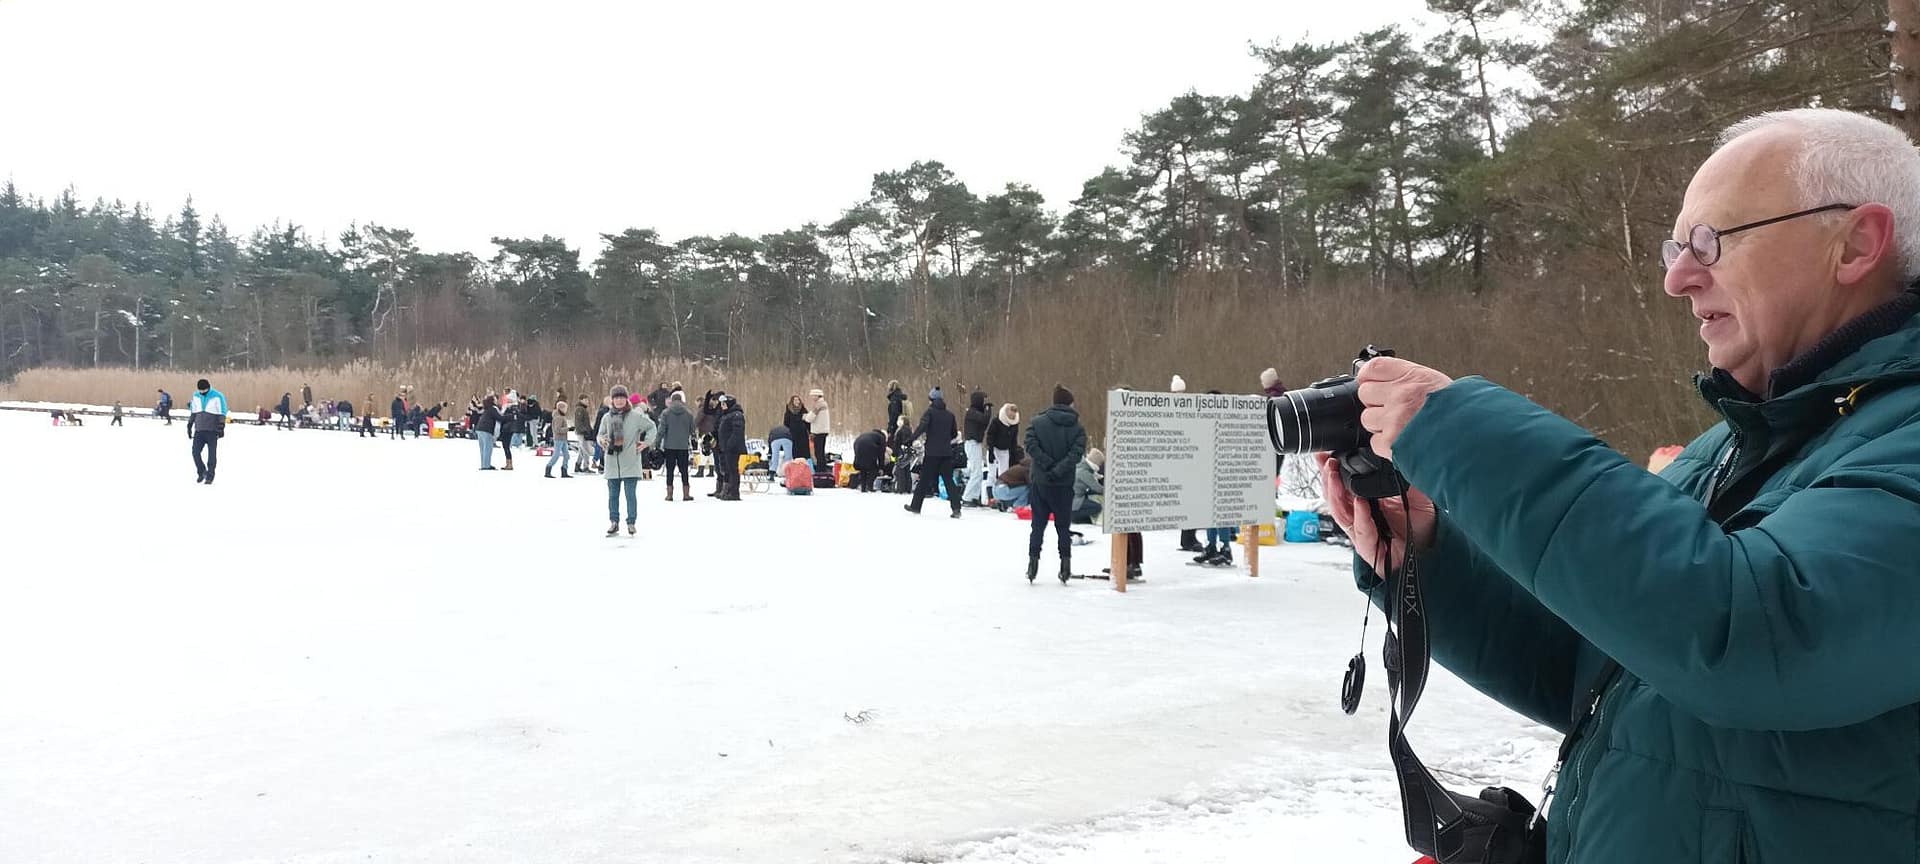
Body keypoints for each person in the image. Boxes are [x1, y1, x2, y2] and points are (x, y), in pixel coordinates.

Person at [1317, 109, 1920, 862]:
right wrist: (1428, 560)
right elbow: (1614, 662)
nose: (1677, 277)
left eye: (1712, 241)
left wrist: (1461, 431)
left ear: (1856, 243)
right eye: (1675, 247)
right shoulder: (1735, 446)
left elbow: (1757, 637)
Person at [596, 386, 654, 536]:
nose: (619, 401)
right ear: (612, 400)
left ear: (626, 399)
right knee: (613, 496)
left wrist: (646, 443)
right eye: (616, 398)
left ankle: (631, 522)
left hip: (630, 462)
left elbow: (651, 427)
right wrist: (601, 440)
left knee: (630, 495)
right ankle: (614, 522)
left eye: (622, 398)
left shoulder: (635, 416)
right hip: (612, 462)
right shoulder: (607, 417)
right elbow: (600, 434)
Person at [904, 387, 962, 518]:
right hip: (946, 452)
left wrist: (911, 440)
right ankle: (956, 508)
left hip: (932, 453)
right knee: (949, 480)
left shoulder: (929, 412)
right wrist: (945, 438)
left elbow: (921, 428)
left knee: (924, 480)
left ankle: (915, 506)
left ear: (931, 400)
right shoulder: (950, 415)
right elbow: (954, 433)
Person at [654, 390, 697, 501]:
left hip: (669, 446)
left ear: (672, 401)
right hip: (683, 446)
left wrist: (657, 443)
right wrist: (692, 441)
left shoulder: (666, 413)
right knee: (684, 470)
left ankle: (669, 494)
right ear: (681, 401)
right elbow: (693, 430)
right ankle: (686, 494)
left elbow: (661, 430)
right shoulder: (688, 413)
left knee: (670, 470)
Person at [187, 378, 227, 485]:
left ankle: (210, 475)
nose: (202, 392)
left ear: (208, 388)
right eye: (200, 391)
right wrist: (189, 425)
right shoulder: (195, 395)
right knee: (195, 452)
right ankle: (201, 472)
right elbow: (193, 411)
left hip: (212, 431)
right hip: (199, 430)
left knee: (211, 454)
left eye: (204, 390)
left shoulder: (218, 396)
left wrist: (221, 426)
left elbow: (222, 412)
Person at [985, 402, 1020, 506]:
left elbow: (1014, 440)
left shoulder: (1014, 424)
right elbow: (990, 436)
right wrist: (991, 451)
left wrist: (1014, 454)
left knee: (1004, 474)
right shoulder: (997, 421)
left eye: (1013, 416)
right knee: (992, 473)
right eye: (1010, 415)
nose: (1012, 417)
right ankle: (990, 497)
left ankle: (1001, 497)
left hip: (1005, 450)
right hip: (994, 448)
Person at [713, 393, 747, 501]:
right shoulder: (726, 415)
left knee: (733, 470)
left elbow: (737, 432)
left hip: (733, 448)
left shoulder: (736, 415)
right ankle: (727, 491)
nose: (722, 406)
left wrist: (729, 445)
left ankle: (734, 493)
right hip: (726, 448)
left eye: (724, 404)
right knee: (727, 470)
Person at [961, 390, 991, 507]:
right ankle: (967, 497)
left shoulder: (974, 412)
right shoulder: (971, 412)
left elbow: (984, 423)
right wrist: (987, 409)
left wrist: (986, 410)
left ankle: (974, 496)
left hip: (975, 443)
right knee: (976, 472)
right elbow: (984, 419)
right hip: (972, 443)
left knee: (978, 472)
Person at [1071, 448, 1104, 524]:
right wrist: (1111, 491)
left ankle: (1078, 518)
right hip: (1074, 504)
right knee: (1097, 507)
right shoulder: (1084, 472)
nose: (1100, 466)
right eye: (1100, 463)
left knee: (1090, 497)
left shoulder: (1080, 466)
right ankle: (1074, 518)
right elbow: (1098, 489)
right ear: (1095, 463)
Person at [850, 428, 887, 492]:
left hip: (857, 443)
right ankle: (869, 486)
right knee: (874, 469)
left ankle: (863, 488)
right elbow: (881, 454)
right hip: (869, 446)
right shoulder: (881, 438)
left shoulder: (870, 434)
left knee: (863, 468)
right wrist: (881, 467)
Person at [544, 400, 572, 478]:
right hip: (558, 439)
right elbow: (557, 429)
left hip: (563, 439)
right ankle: (548, 468)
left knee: (566, 455)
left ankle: (564, 470)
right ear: (561, 408)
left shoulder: (562, 416)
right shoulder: (558, 418)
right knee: (556, 455)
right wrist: (568, 429)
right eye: (565, 408)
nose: (566, 410)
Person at [805, 388, 831, 470]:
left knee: (818, 453)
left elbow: (809, 418)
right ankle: (823, 469)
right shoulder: (823, 404)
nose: (812, 398)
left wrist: (804, 416)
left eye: (813, 396)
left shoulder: (818, 405)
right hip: (823, 431)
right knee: (821, 452)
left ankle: (820, 470)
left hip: (818, 432)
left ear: (817, 396)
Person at [783, 394, 812, 467]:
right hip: (793, 435)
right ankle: (796, 467)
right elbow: (786, 423)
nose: (797, 401)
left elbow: (808, 422)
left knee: (805, 453)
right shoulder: (788, 411)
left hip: (803, 434)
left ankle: (806, 467)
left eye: (798, 400)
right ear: (792, 401)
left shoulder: (803, 410)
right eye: (795, 400)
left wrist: (810, 432)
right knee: (795, 452)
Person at [475, 395, 501, 470]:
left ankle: (484, 464)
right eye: (495, 399)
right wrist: (510, 417)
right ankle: (486, 466)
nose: (497, 400)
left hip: (479, 428)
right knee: (488, 448)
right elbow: (499, 418)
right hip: (486, 430)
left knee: (483, 449)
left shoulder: (487, 408)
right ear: (492, 401)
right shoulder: (493, 408)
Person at [572, 399, 594, 474]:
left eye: (587, 400)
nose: (587, 402)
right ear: (581, 400)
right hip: (582, 433)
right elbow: (578, 422)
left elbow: (586, 422)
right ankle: (586, 466)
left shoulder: (584, 409)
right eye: (585, 400)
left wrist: (590, 430)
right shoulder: (580, 409)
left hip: (584, 432)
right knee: (586, 450)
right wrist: (584, 430)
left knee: (582, 449)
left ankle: (578, 465)